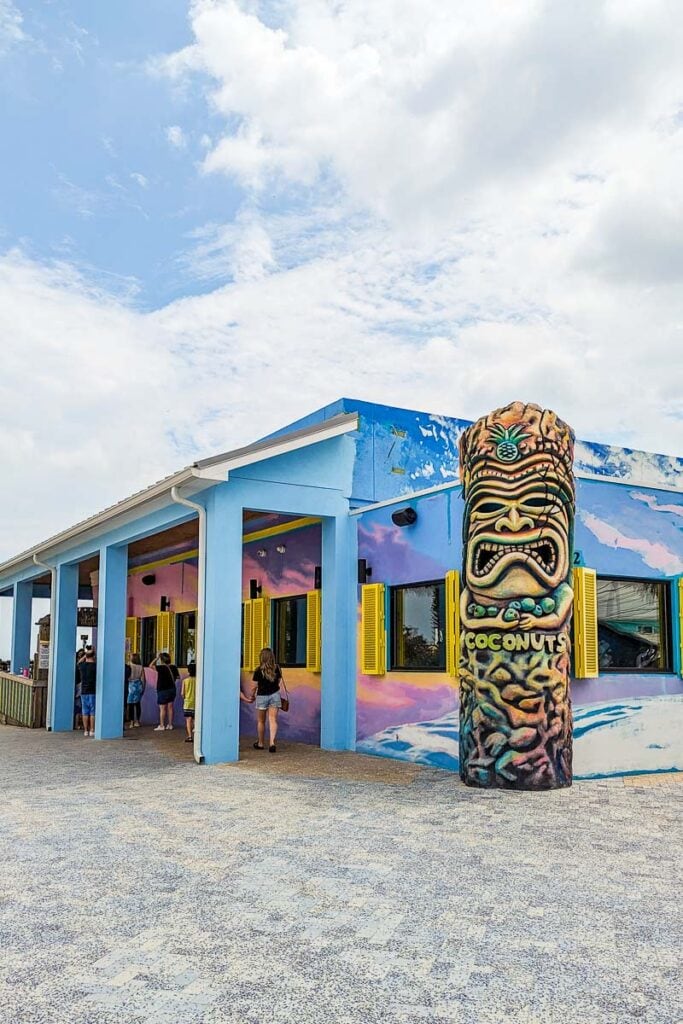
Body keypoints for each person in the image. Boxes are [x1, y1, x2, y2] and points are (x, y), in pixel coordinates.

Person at [251, 647, 284, 753]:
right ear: (272, 657)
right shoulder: (277, 668)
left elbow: (255, 686)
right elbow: (279, 682)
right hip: (274, 695)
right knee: (273, 720)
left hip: (261, 696)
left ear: (262, 657)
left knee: (261, 721)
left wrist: (252, 695)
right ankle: (272, 743)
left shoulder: (258, 670)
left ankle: (260, 743)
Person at [151, 652, 176, 731]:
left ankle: (162, 725)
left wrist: (157, 658)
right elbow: (177, 677)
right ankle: (170, 724)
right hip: (172, 689)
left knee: (162, 708)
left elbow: (150, 665)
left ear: (162, 660)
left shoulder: (160, 667)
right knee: (170, 707)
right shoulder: (173, 667)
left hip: (162, 689)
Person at [78, 647, 97, 737]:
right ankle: (92, 729)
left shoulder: (82, 666)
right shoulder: (95, 666)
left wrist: (85, 655)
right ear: (93, 656)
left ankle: (85, 730)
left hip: (83, 691)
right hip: (93, 690)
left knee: (85, 711)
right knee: (93, 711)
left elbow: (79, 662)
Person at [126, 654, 145, 728]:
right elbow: (143, 679)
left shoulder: (129, 666)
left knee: (130, 704)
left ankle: (131, 722)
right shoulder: (141, 667)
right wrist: (143, 687)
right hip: (138, 685)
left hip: (131, 685)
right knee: (137, 704)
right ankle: (137, 721)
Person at [182, 662, 196, 743]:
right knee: (195, 719)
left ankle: (190, 736)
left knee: (188, 720)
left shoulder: (185, 681)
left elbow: (182, 693)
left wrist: (185, 698)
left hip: (188, 703)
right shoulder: (199, 681)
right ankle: (197, 734)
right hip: (196, 703)